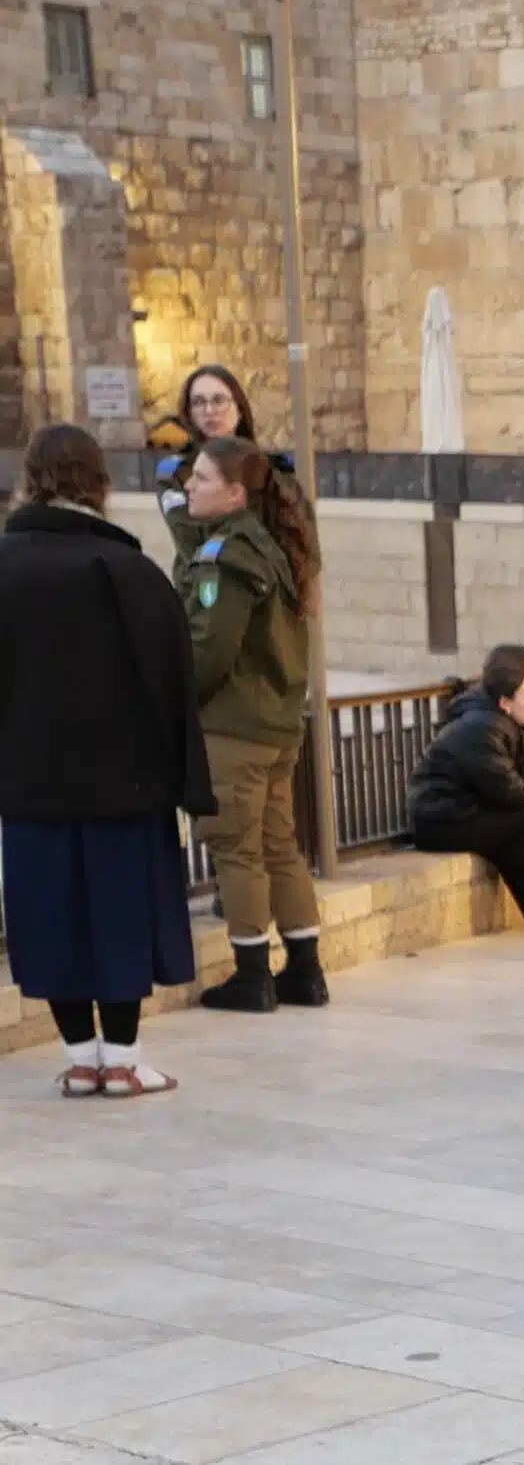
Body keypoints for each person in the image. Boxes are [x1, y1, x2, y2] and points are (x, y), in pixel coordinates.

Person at [0, 425, 216, 1098]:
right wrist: (185, 781)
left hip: (30, 788)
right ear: (99, 482)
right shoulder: (131, 573)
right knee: (122, 917)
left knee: (50, 918)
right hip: (128, 788)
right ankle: (121, 1060)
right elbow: (172, 686)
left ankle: (80, 1056)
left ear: (29, 480)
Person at [181, 436, 330, 1013]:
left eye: (200, 478)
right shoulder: (272, 546)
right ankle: (304, 969)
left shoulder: (230, 555)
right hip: (276, 723)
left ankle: (251, 975)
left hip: (235, 726)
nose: (189, 486)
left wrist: (178, 698)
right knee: (279, 846)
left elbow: (209, 650)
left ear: (235, 492)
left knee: (237, 850)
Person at [409, 644, 524, 928]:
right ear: (505, 702)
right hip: (441, 819)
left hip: (472, 808)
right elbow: (509, 790)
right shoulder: (479, 728)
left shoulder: (511, 720)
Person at [153, 364, 311, 565]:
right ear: (189, 413)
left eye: (219, 401)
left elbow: (305, 548)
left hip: (274, 587)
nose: (209, 411)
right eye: (198, 402)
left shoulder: (273, 469)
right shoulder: (177, 473)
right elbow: (192, 538)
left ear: (240, 410)